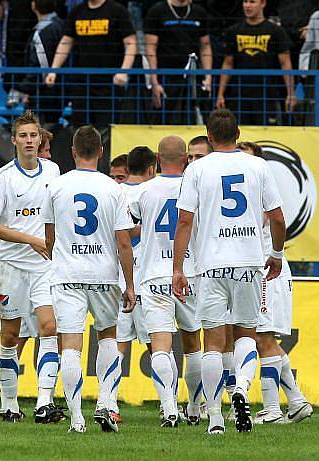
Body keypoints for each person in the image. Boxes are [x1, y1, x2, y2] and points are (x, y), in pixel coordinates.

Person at [173, 108, 286, 434]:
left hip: (210, 265)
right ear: (238, 134)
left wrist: (179, 267)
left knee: (213, 341)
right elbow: (277, 217)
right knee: (246, 335)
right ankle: (241, 388)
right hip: (249, 261)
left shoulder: (197, 169)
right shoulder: (258, 166)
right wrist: (275, 254)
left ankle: (216, 419)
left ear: (209, 137)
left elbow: (184, 221)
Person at [42, 125, 136, 434]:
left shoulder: (56, 186)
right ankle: (106, 404)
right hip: (103, 275)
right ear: (101, 152)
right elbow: (124, 241)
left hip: (67, 274)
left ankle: (77, 419)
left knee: (70, 345)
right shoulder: (113, 188)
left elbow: (49, 236)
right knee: (108, 337)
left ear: (72, 152)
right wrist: (130, 284)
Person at [0, 111, 63, 424]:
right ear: (13, 140)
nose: (29, 141)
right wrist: (30, 239)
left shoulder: (53, 170)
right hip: (11, 267)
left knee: (50, 327)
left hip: (44, 267)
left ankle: (44, 402)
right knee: (10, 336)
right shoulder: (3, 178)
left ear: (40, 139)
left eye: (33, 135)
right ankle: (9, 403)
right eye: (23, 136)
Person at [235, 140, 313, 426]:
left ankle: (271, 408)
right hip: (260, 271)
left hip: (267, 271)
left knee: (262, 338)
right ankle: (296, 400)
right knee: (261, 338)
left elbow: (268, 222)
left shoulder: (263, 194)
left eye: (246, 158)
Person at [128, 135, 203, 426]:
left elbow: (129, 228)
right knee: (193, 343)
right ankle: (195, 409)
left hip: (154, 274)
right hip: (189, 273)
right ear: (186, 159)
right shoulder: (195, 188)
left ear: (157, 160)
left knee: (160, 344)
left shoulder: (143, 191)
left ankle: (169, 408)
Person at [45, 0, 137, 125]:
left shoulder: (117, 11)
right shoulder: (76, 12)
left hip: (108, 82)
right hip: (81, 82)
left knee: (106, 128)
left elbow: (131, 43)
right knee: (81, 129)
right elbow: (66, 42)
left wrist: (124, 71)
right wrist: (53, 69)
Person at [109, 146, 154, 423]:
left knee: (117, 345)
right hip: (146, 276)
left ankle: (109, 404)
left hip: (118, 277)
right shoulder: (154, 193)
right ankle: (169, 407)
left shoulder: (114, 194)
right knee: (158, 344)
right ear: (151, 168)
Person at [217, 0, 294, 125]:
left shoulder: (276, 31)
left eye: (252, 2)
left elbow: (285, 63)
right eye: (245, 1)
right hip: (239, 96)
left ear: (263, 3)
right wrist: (220, 94)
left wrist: (291, 94)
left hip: (268, 96)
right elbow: (228, 63)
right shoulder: (233, 31)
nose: (247, 5)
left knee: (268, 139)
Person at [144, 0, 212, 123]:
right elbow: (150, 49)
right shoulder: (157, 11)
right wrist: (154, 82)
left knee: (194, 121)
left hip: (194, 77)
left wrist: (208, 76)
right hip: (166, 76)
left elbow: (206, 46)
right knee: (166, 121)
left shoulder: (199, 12)